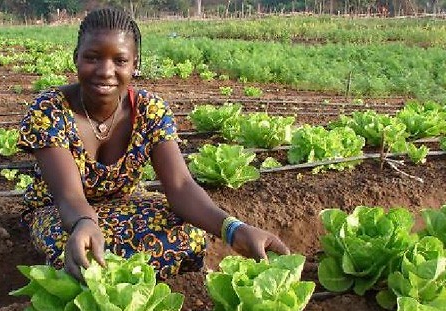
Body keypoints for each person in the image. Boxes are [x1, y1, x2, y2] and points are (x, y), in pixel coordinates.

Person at [18, 7, 290, 281]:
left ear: (135, 64)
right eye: (92, 58)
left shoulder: (149, 110)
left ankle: (175, 286)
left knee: (189, 235)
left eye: (120, 61)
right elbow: (70, 196)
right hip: (62, 211)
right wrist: (84, 223)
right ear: (76, 58)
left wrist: (235, 229)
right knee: (72, 249)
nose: (105, 71)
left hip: (126, 204)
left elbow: (181, 186)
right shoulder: (50, 109)